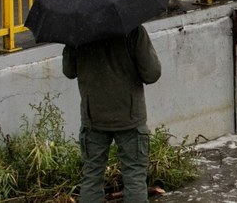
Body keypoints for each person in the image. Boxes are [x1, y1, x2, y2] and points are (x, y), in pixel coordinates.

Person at [63, 27, 163, 203]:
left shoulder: (77, 31)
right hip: (129, 116)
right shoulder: (133, 30)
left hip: (93, 115)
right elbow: (152, 74)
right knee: (134, 178)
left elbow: (69, 71)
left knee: (92, 176)